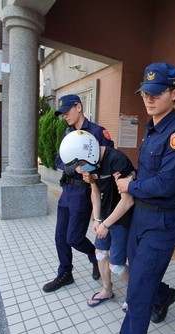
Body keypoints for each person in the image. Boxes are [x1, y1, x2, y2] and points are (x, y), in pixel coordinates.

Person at [115, 62, 175, 334]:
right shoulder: (151, 130)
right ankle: (164, 297)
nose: (149, 99)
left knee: (137, 294)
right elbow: (149, 173)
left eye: (157, 92)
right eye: (145, 93)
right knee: (140, 274)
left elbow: (165, 183)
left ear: (174, 94)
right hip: (140, 217)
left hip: (161, 222)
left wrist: (131, 184)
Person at [42, 94, 114, 293]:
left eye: (67, 111)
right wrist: (74, 168)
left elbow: (109, 159)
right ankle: (65, 272)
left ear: (79, 107)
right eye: (62, 113)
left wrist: (91, 170)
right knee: (59, 237)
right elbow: (59, 160)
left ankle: (94, 256)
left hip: (84, 192)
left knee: (73, 238)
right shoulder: (67, 133)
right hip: (67, 190)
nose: (65, 115)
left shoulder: (98, 132)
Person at [58, 130, 135, 309]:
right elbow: (94, 191)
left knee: (116, 264)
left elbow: (128, 201)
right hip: (105, 218)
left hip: (122, 218)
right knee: (100, 254)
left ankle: (135, 295)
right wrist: (97, 220)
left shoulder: (117, 160)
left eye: (79, 165)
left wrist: (106, 224)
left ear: (87, 154)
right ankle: (107, 290)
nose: (79, 169)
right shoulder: (90, 165)